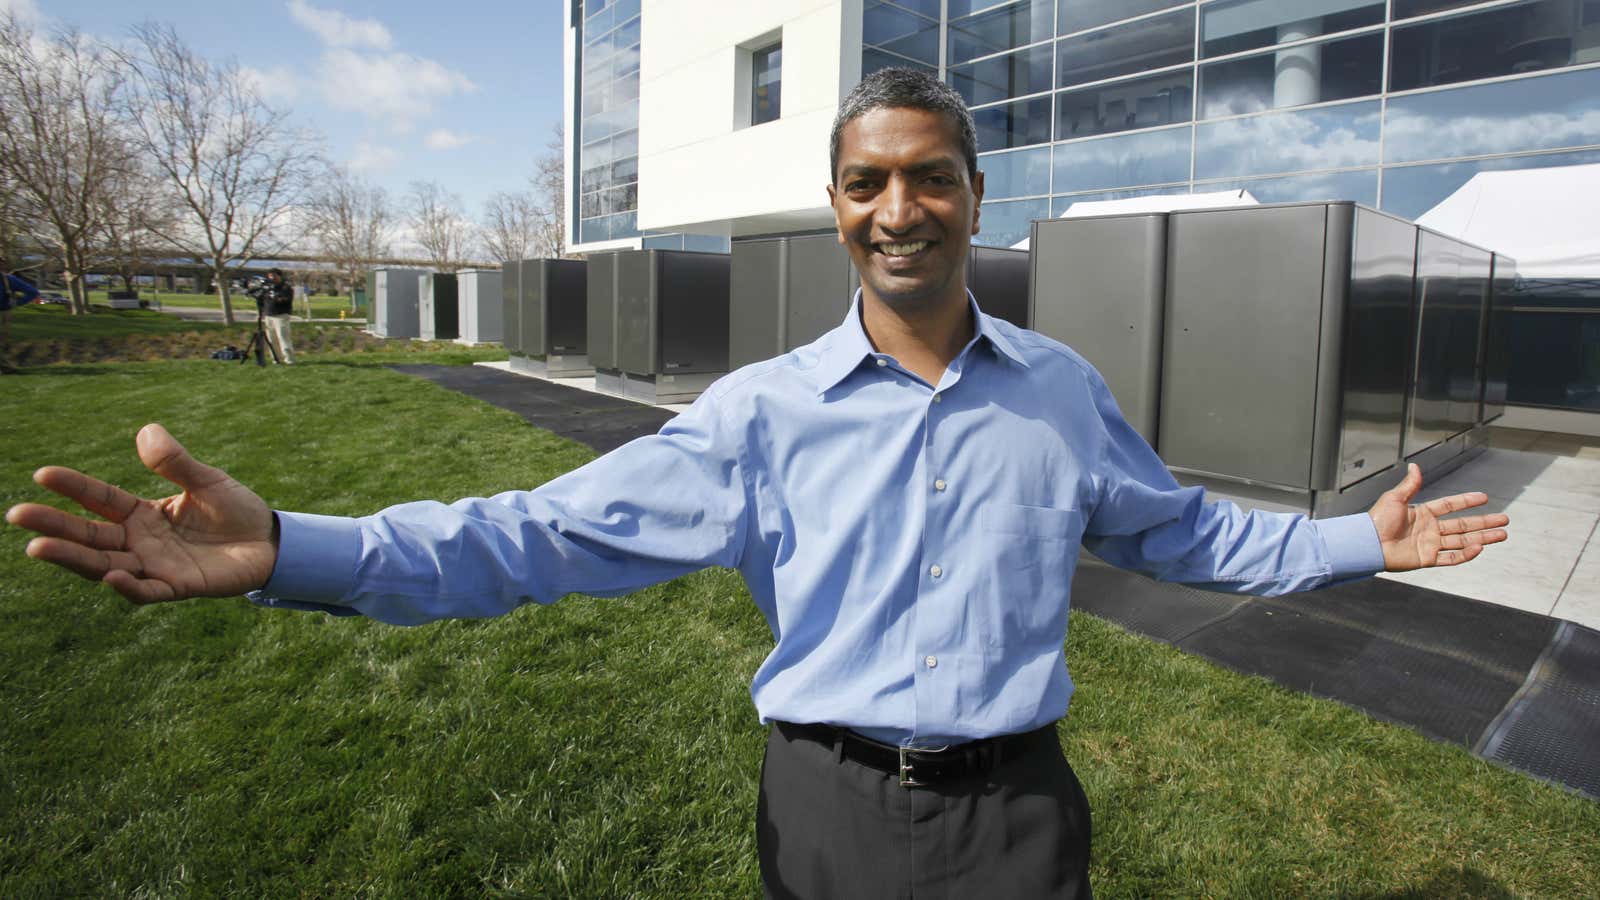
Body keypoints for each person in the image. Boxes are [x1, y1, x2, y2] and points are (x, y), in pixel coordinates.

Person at [4, 69, 1511, 898]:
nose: (901, 207)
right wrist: (290, 549)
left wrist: (1340, 544)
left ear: (980, 199)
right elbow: (528, 538)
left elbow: (1177, 529)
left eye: (931, 177)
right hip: (830, 818)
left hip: (1023, 828)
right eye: (869, 182)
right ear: (840, 208)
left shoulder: (1061, 394)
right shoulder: (758, 418)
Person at [1, 253, 41, 374]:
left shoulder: (8, 280)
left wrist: (16, 303)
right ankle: (5, 367)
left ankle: (5, 367)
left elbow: (32, 292)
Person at [260, 268, 295, 364]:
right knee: (271, 339)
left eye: (274, 276)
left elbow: (287, 300)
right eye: (270, 276)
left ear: (279, 276)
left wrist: (277, 298)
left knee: (283, 337)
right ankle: (276, 358)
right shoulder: (266, 288)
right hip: (269, 316)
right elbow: (262, 301)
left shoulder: (286, 287)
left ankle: (289, 359)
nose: (272, 278)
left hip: (281, 316)